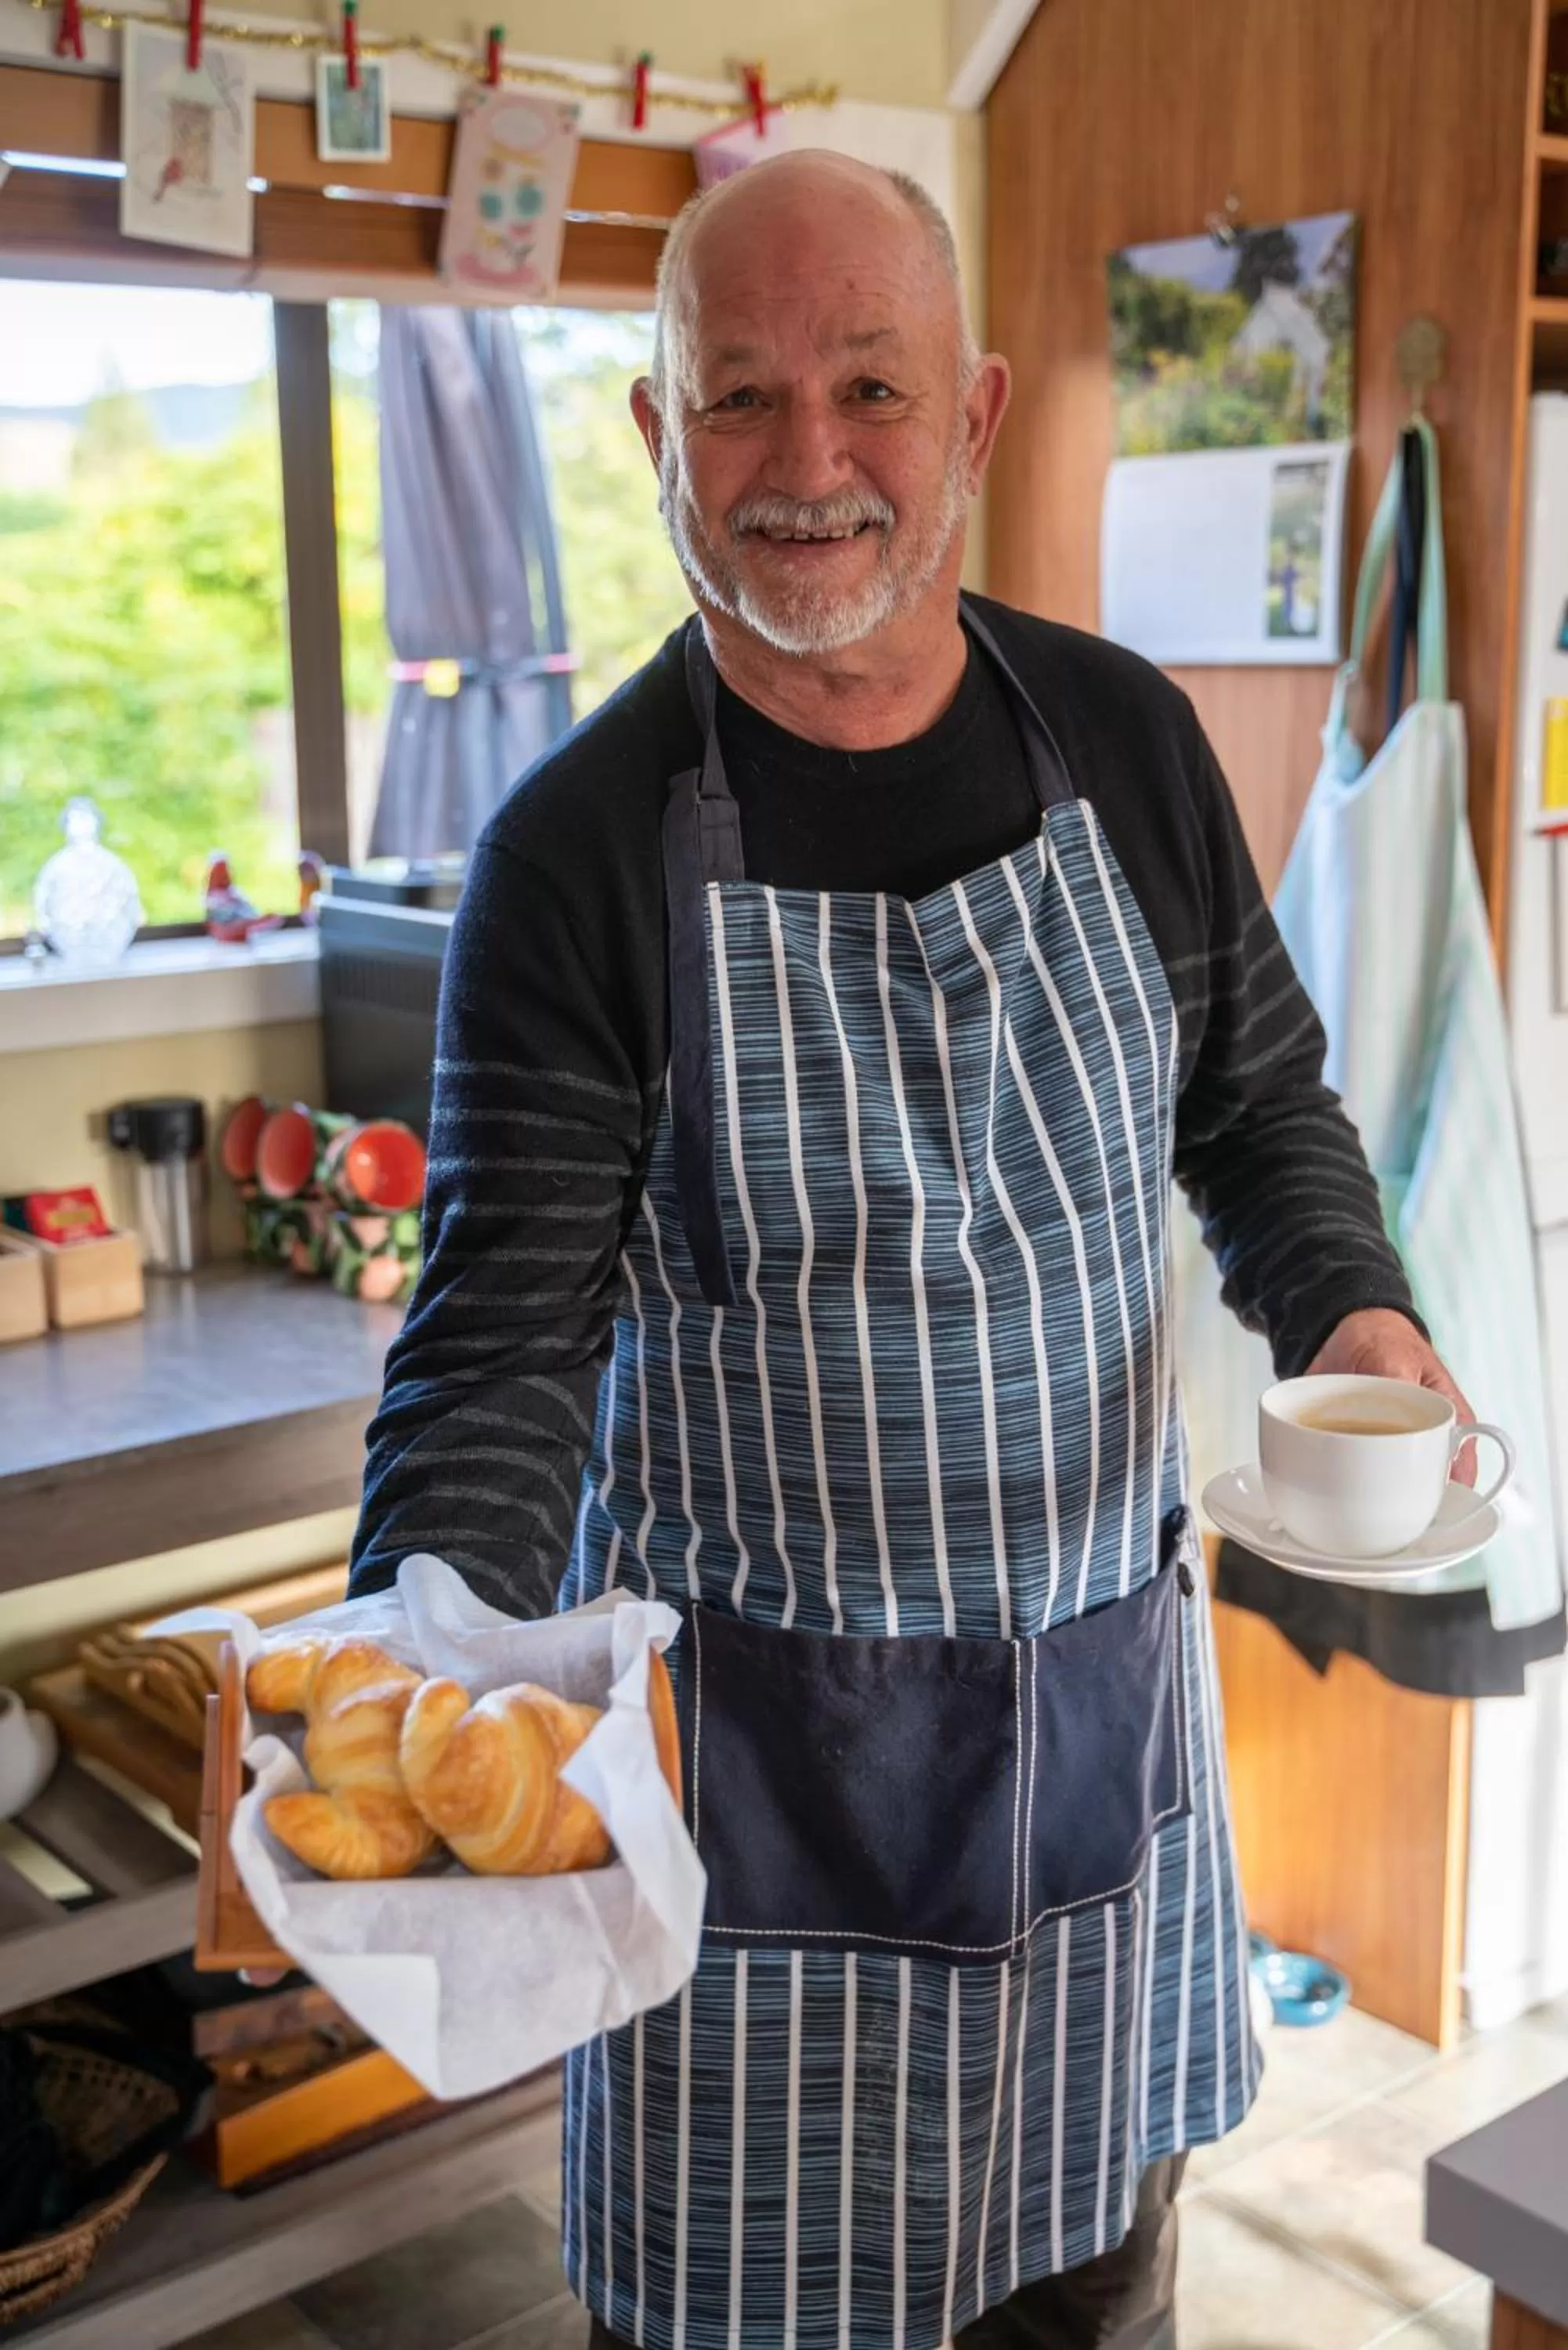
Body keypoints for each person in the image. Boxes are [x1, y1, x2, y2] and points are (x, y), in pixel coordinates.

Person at [350, 152, 1469, 2350]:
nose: (810, 465)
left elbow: (1255, 1109)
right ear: (661, 440)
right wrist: (431, 1644)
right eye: (742, 400)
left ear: (968, 419)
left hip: (1095, 1797)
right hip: (762, 1848)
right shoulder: (576, 856)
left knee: (1091, 2308)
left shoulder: (1126, 744)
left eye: (867, 388)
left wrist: (1356, 1307)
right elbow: (502, 1344)